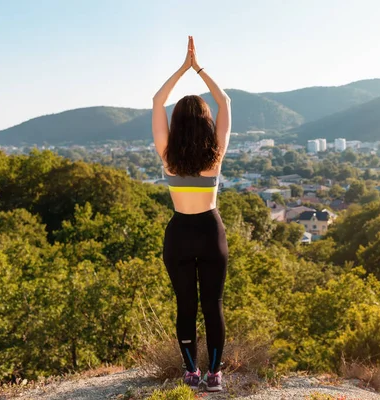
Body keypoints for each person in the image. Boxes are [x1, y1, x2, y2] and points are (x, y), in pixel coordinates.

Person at [152, 35, 231, 392]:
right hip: (210, 232)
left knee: (186, 304)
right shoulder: (215, 154)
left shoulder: (168, 154)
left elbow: (157, 100)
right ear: (204, 121)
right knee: (211, 304)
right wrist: (197, 67)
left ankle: (191, 371)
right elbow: (224, 100)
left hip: (179, 234)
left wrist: (181, 68)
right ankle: (214, 375)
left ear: (177, 124)